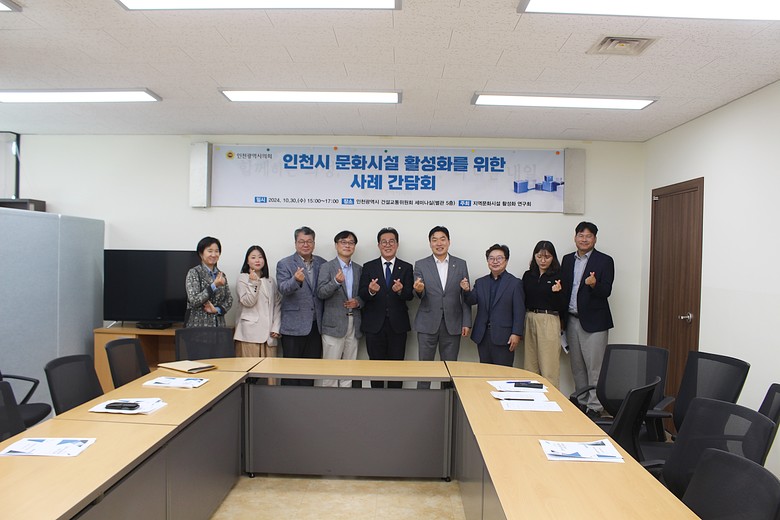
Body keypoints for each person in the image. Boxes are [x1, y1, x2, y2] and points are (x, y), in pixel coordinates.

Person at [561, 222, 615, 419]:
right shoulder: (567, 260)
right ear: (575, 237)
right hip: (572, 320)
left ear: (595, 239)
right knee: (577, 366)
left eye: (588, 236)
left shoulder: (604, 261)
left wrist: (594, 284)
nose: (584, 239)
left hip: (594, 322)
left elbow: (606, 291)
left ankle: (596, 407)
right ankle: (582, 402)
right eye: (581, 235)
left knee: (595, 367)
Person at [413, 225, 471, 389]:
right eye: (434, 240)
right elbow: (418, 292)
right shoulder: (421, 264)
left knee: (450, 370)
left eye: (442, 239)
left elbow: (465, 294)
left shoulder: (460, 264)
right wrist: (419, 290)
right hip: (427, 323)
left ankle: (448, 402)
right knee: (425, 370)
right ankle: (422, 399)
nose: (439, 243)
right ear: (430, 243)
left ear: (449, 242)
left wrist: (466, 322)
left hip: (453, 323)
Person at [358, 227, 414, 389]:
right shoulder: (368, 267)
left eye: (391, 241)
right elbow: (362, 293)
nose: (387, 245)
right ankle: (377, 400)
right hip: (374, 326)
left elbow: (410, 295)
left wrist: (401, 291)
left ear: (397, 244)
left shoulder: (406, 267)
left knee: (397, 369)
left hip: (398, 325)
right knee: (375, 368)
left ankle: (395, 400)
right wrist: (371, 291)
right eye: (384, 242)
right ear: (378, 245)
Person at [276, 226, 326, 386]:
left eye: (309, 241)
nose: (306, 245)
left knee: (310, 371)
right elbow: (283, 288)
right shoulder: (284, 263)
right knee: (290, 372)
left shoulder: (322, 263)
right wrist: (295, 280)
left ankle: (307, 400)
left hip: (315, 326)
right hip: (293, 326)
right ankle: (288, 401)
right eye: (302, 241)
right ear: (295, 243)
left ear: (314, 243)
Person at [463, 244, 525, 367]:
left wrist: (516, 333)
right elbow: (471, 300)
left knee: (503, 374)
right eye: (491, 258)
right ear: (487, 261)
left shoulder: (515, 283)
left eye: (499, 258)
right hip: (483, 336)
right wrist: (466, 290)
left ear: (506, 260)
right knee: (485, 372)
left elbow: (519, 311)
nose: (495, 261)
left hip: (505, 337)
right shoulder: (481, 282)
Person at [316, 230, 363, 387]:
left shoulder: (359, 269)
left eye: (351, 243)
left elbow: (363, 295)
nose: (347, 245)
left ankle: (346, 399)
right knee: (330, 369)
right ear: (336, 245)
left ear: (354, 247)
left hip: (354, 323)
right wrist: (335, 282)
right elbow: (320, 292)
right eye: (343, 242)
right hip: (333, 325)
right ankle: (329, 400)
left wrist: (358, 302)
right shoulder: (326, 267)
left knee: (349, 369)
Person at [522, 240, 567, 387]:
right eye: (539, 256)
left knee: (549, 366)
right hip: (529, 318)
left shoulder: (559, 276)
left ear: (553, 257)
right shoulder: (528, 275)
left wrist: (557, 293)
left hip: (549, 319)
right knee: (530, 365)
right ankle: (530, 398)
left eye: (547, 257)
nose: (543, 260)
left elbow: (564, 305)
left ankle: (551, 399)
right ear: (534, 256)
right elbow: (523, 300)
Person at [233, 245, 282, 366]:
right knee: (249, 370)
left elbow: (277, 304)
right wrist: (253, 282)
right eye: (253, 257)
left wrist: (276, 327)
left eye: (260, 257)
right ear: (247, 261)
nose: (257, 260)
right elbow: (248, 302)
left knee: (270, 371)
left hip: (270, 335)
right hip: (250, 334)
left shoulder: (270, 280)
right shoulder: (242, 278)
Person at [184, 236, 232, 327]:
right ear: (201, 254)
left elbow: (229, 300)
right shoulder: (194, 272)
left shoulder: (221, 275)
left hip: (219, 326)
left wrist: (217, 309)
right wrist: (214, 285)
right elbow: (194, 300)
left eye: (216, 251)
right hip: (198, 326)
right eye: (210, 251)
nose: (214, 255)